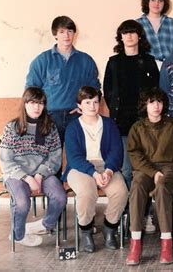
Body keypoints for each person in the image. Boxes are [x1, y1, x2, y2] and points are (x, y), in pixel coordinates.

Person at [125, 87, 173, 265]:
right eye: (151, 102)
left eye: (159, 101)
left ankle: (166, 244)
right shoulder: (137, 127)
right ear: (145, 105)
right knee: (137, 185)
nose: (156, 106)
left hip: (170, 167)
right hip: (145, 169)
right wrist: (153, 172)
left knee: (163, 186)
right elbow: (134, 155)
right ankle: (135, 245)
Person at [62, 86, 128, 253]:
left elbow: (116, 151)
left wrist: (108, 171)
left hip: (106, 165)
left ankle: (109, 228)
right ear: (79, 105)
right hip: (80, 168)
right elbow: (74, 157)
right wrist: (93, 173)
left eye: (96, 102)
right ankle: (86, 231)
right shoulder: (73, 128)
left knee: (121, 192)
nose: (92, 106)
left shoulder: (109, 124)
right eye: (87, 102)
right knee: (86, 192)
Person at [0, 87, 67, 247]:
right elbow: (6, 160)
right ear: (25, 104)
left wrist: (39, 175)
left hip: (42, 174)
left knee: (60, 197)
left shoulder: (49, 127)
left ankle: (44, 225)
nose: (37, 107)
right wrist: (28, 178)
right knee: (22, 203)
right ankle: (18, 235)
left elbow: (55, 157)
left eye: (41, 103)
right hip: (16, 175)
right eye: (33, 103)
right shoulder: (12, 127)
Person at [25, 16, 101, 144]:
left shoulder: (86, 60)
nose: (66, 35)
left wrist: (85, 108)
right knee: (49, 159)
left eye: (70, 31)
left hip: (78, 117)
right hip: (49, 117)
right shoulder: (42, 61)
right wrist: (39, 113)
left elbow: (95, 89)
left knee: (78, 157)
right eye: (61, 32)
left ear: (74, 34)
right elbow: (31, 91)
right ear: (55, 35)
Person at [103, 19, 160, 188]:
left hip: (145, 122)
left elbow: (155, 90)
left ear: (139, 36)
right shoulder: (113, 62)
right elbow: (108, 91)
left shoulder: (149, 61)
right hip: (121, 123)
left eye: (132, 32)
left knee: (146, 167)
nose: (129, 36)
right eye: (125, 32)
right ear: (120, 37)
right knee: (126, 169)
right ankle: (129, 209)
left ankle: (146, 208)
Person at [136, 0, 173, 69]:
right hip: (146, 67)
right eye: (153, 0)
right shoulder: (138, 24)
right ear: (147, 2)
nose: (157, 3)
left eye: (160, 0)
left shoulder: (172, 23)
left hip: (169, 67)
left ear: (164, 4)